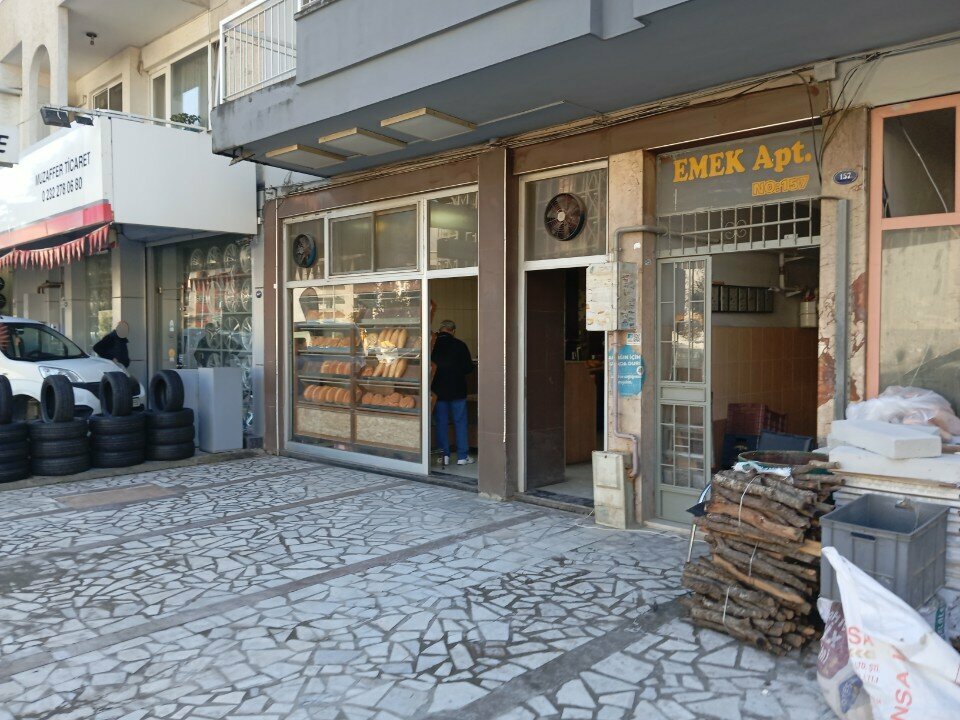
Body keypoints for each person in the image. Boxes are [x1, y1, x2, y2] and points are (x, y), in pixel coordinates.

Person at [431, 319, 475, 466]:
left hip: (438, 391)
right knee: (460, 422)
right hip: (457, 390)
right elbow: (468, 368)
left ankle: (444, 456)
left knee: (441, 423)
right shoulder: (460, 345)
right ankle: (462, 456)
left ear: (441, 329)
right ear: (453, 331)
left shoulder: (432, 345)